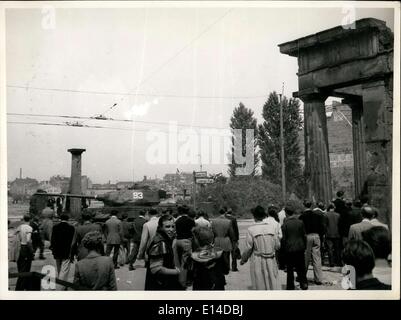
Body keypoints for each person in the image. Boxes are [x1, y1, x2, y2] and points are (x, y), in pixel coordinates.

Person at [241, 205, 281, 290]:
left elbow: (248, 248)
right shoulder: (272, 228)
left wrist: (243, 259)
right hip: (271, 258)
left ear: (254, 216)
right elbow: (277, 245)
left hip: (258, 260)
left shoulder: (251, 229)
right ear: (264, 215)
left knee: (260, 283)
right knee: (272, 282)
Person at [144, 214, 182, 290]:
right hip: (159, 285)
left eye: (173, 226)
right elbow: (156, 269)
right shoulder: (160, 243)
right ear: (161, 227)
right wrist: (177, 272)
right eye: (167, 227)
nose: (171, 229)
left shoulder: (164, 238)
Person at [281, 204, 308, 290]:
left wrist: (283, 249)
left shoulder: (285, 224)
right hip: (300, 247)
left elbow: (283, 239)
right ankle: (303, 283)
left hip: (289, 249)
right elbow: (304, 235)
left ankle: (290, 286)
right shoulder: (300, 222)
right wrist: (305, 246)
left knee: (290, 269)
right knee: (301, 267)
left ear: (286, 213)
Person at [299, 199, 325, 285]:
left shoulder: (302, 216)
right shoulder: (317, 215)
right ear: (311, 205)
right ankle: (318, 279)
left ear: (304, 205)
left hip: (307, 236)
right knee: (317, 257)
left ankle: (303, 277)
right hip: (316, 236)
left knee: (305, 258)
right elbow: (322, 227)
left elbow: (301, 229)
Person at [50, 213, 76, 290]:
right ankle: (61, 285)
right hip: (67, 251)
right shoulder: (71, 228)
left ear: (60, 219)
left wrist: (53, 249)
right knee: (64, 269)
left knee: (59, 268)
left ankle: (62, 284)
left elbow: (53, 239)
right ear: (68, 219)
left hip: (57, 250)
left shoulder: (55, 227)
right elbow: (73, 241)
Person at [174, 205, 196, 288]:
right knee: (185, 263)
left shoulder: (177, 220)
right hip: (187, 241)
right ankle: (183, 282)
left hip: (178, 241)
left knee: (177, 261)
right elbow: (193, 232)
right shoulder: (190, 221)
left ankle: (177, 279)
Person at [211, 208, 235, 274]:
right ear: (225, 213)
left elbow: (212, 233)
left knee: (217, 256)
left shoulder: (214, 221)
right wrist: (233, 241)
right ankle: (226, 269)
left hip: (217, 240)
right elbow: (231, 233)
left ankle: (218, 268)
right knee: (226, 256)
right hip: (226, 240)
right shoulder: (228, 221)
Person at [15, 215, 34, 291]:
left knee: (21, 267)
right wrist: (31, 250)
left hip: (20, 247)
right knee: (26, 268)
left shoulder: (19, 227)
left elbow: (16, 237)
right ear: (30, 220)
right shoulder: (29, 228)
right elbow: (28, 240)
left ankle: (24, 285)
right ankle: (20, 287)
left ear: (23, 219)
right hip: (26, 248)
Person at [225, 208, 240, 272]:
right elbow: (236, 229)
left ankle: (227, 267)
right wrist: (237, 238)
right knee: (233, 253)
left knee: (227, 253)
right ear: (231, 212)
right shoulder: (233, 218)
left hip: (226, 237)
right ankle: (234, 267)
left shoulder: (224, 218)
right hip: (233, 238)